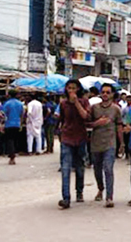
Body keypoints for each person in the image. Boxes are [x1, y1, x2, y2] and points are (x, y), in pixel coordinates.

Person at [57, 79, 91, 210]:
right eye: (69, 88)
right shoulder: (63, 104)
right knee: (65, 168)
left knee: (79, 166)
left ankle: (79, 191)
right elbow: (61, 120)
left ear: (78, 89)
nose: (71, 91)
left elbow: (85, 117)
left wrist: (76, 102)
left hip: (80, 137)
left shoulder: (84, 102)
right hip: (67, 138)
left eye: (74, 88)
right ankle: (66, 198)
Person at [88, 84, 123, 208]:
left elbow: (119, 126)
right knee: (97, 169)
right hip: (96, 143)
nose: (105, 94)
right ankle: (100, 188)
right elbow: (87, 124)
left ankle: (109, 197)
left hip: (110, 143)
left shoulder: (116, 109)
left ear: (112, 94)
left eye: (108, 92)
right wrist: (97, 123)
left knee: (108, 169)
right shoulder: (94, 108)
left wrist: (122, 143)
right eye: (103, 92)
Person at [2, 90, 25, 165]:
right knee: (15, 140)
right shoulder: (20, 103)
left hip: (8, 124)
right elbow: (22, 114)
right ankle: (14, 153)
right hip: (17, 124)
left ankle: (12, 156)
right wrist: (21, 123)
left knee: (9, 140)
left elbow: (3, 114)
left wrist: (2, 124)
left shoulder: (7, 103)